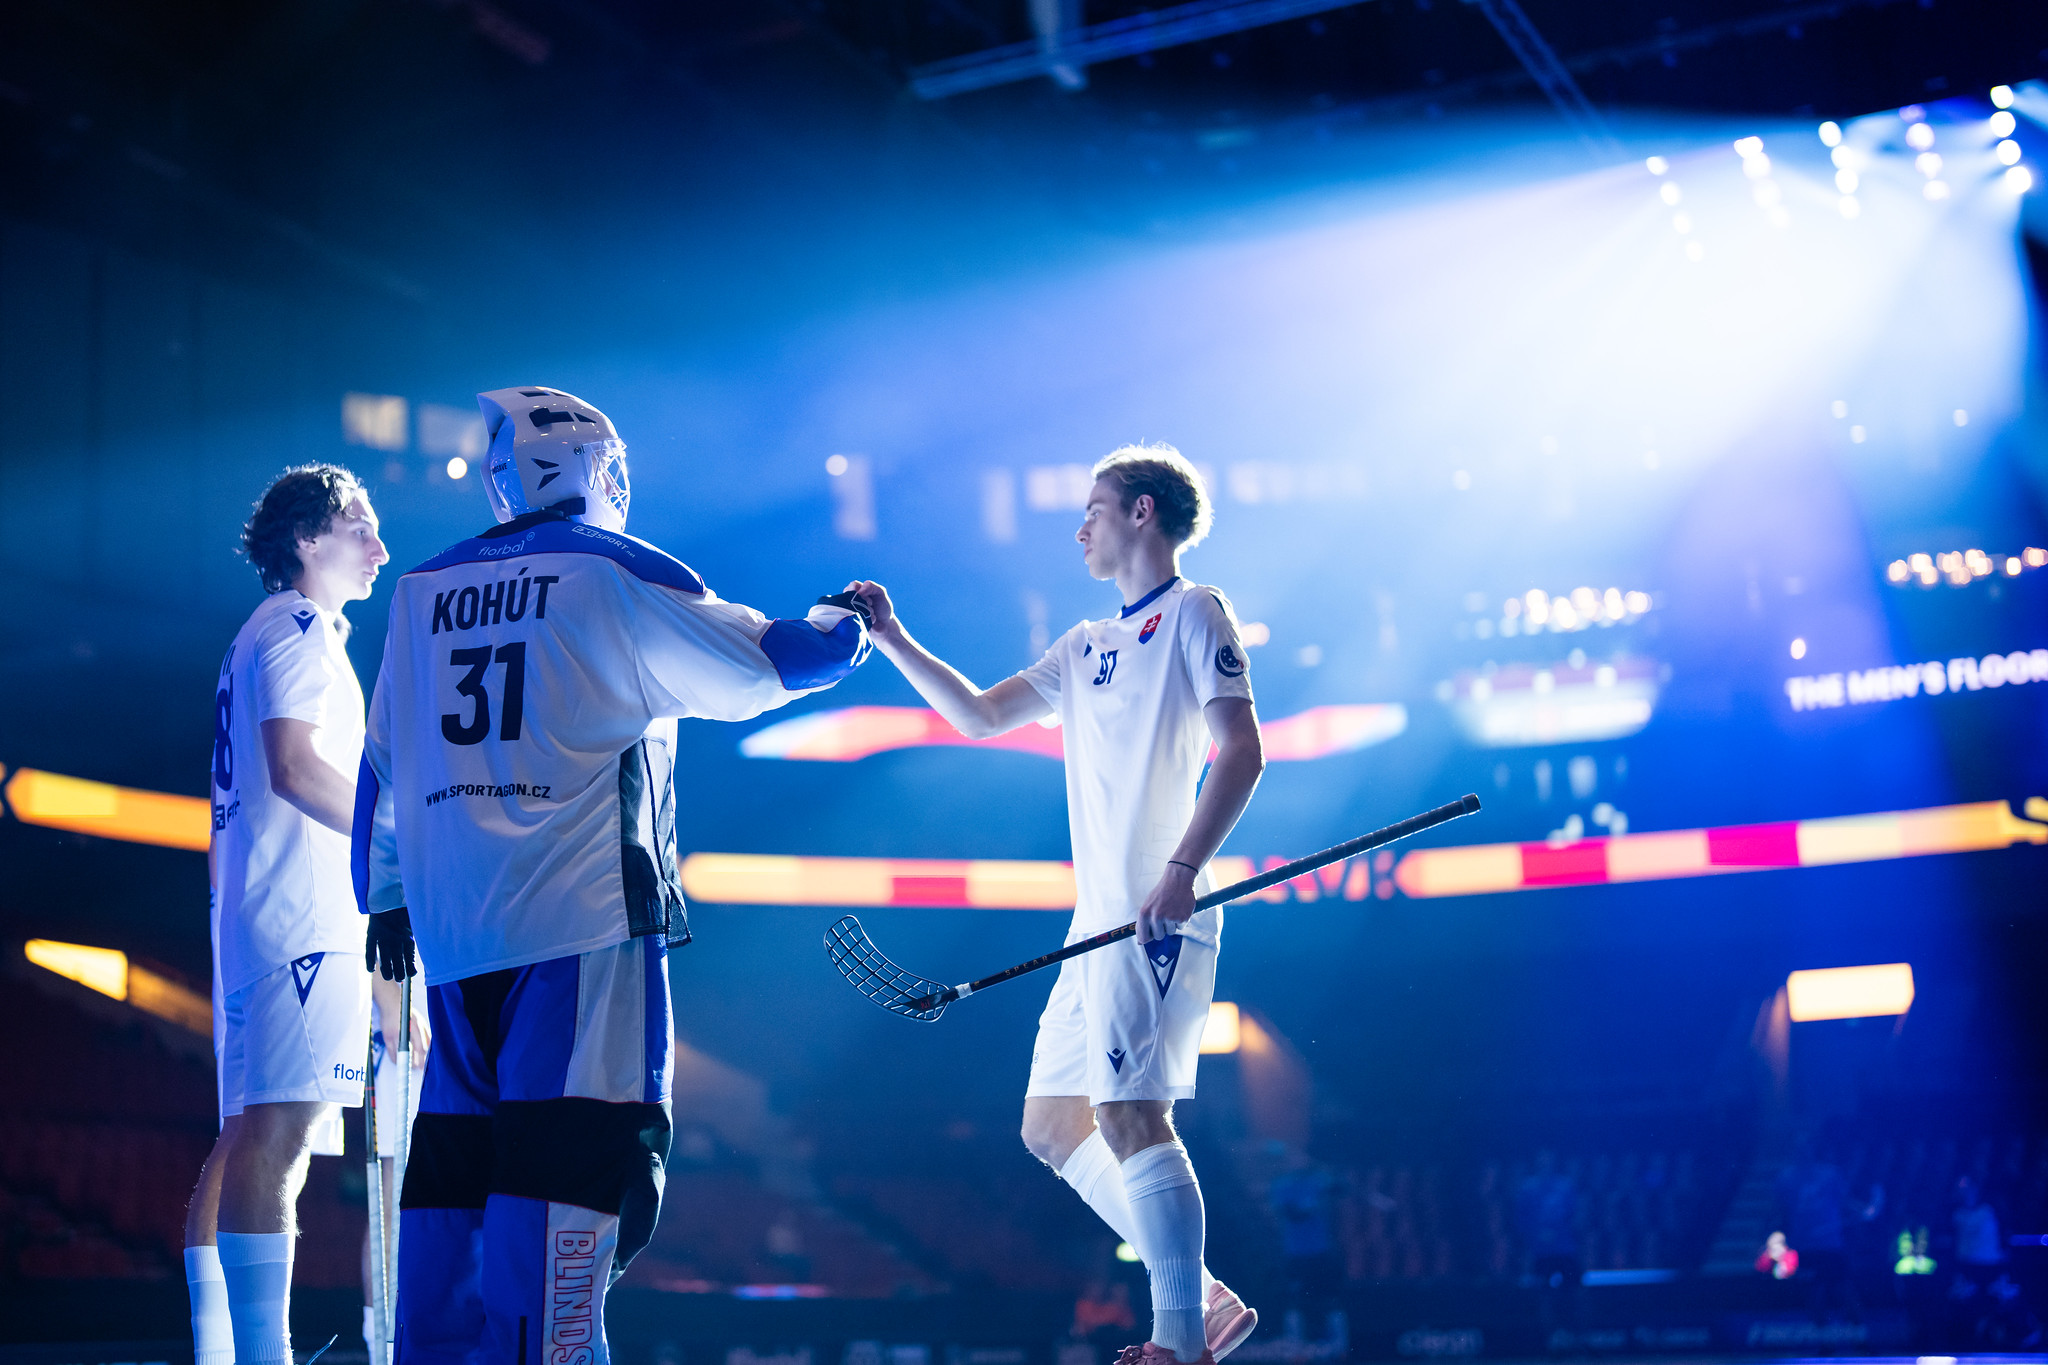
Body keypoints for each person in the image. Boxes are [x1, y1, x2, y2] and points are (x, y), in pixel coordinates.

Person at [354, 386, 872, 1365]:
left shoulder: (420, 589)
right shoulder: (615, 569)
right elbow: (783, 662)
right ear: (592, 468)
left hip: (456, 942)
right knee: (571, 1176)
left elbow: (384, 767)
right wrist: (844, 619)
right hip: (579, 928)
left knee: (457, 1182)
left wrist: (380, 898)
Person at [851, 442, 1266, 1365]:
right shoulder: (1083, 646)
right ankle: (1200, 1299)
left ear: (1143, 513)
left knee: (1131, 1114)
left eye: (1095, 507)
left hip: (1158, 906)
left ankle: (1177, 1340)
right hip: (1097, 920)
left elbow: (1242, 751)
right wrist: (892, 637)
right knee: (1051, 1124)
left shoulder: (1198, 612)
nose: (1082, 525)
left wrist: (1185, 868)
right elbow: (977, 716)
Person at [184, 465, 426, 1365]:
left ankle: (224, 1351)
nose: (379, 546)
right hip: (299, 920)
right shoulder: (294, 627)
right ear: (306, 540)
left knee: (247, 1133)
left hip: (258, 915)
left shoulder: (264, 635)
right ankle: (260, 1357)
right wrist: (401, 831)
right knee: (278, 1138)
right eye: (360, 525)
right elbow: (291, 765)